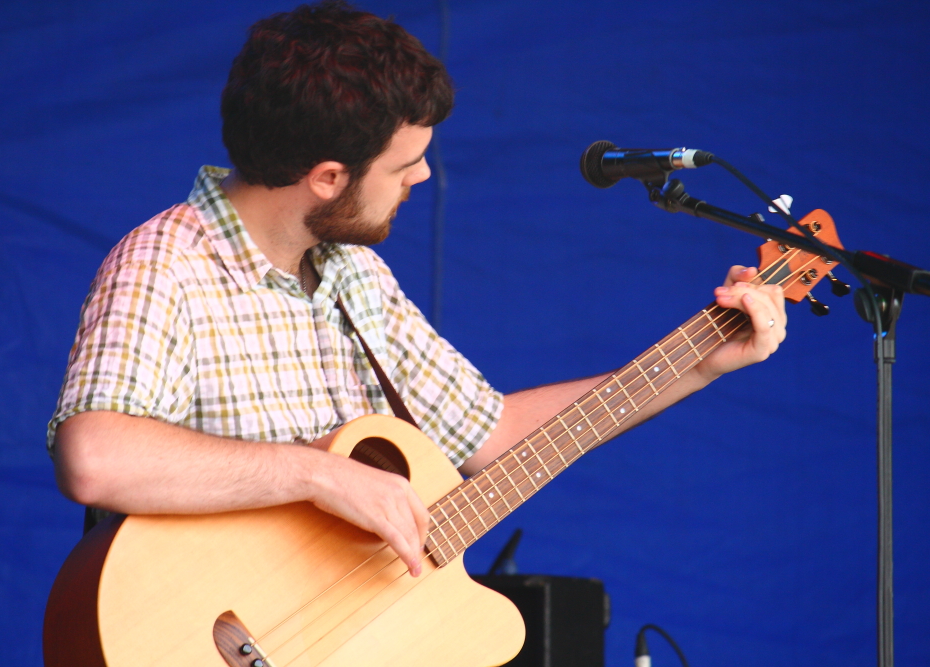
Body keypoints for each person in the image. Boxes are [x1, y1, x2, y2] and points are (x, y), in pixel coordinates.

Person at [48, 0, 786, 579]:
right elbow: (96, 457)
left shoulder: (353, 273)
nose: (424, 176)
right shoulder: (167, 262)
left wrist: (704, 358)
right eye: (405, 165)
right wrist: (316, 474)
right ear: (328, 177)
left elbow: (494, 435)